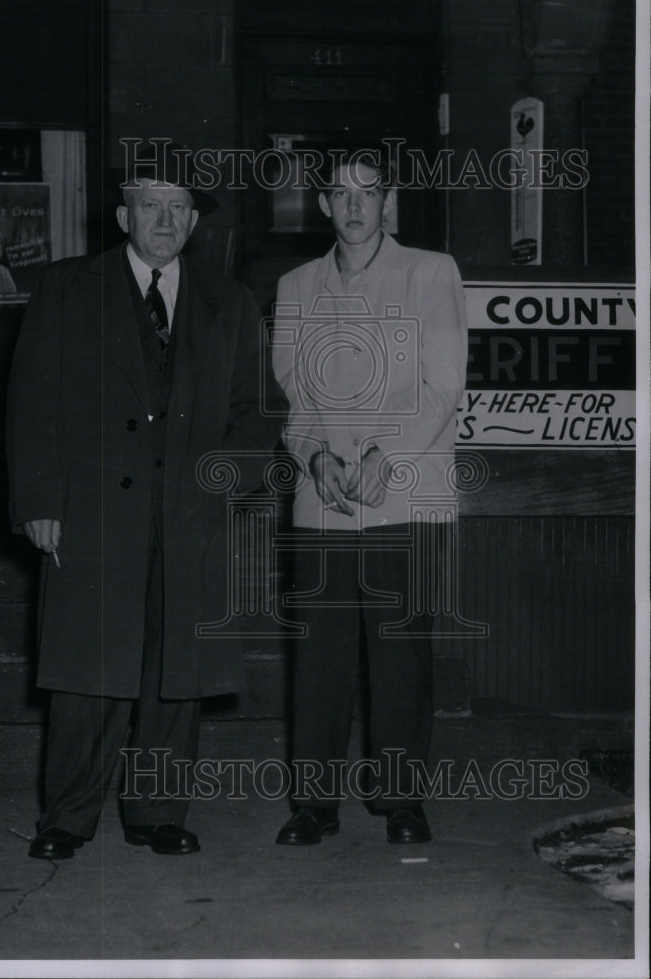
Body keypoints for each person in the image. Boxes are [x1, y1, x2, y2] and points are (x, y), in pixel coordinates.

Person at [6, 142, 287, 858]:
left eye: (179, 208)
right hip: (92, 514)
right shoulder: (66, 288)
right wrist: (40, 499)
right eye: (150, 204)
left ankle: (157, 814)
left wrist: (223, 479)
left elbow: (259, 409)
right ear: (123, 213)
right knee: (88, 675)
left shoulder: (228, 301)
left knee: (175, 673)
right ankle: (66, 818)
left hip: (188, 518)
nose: (164, 219)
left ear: (193, 224)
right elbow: (30, 404)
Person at [271, 148, 467, 846]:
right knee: (319, 658)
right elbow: (293, 400)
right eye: (339, 193)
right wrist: (314, 454)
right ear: (321, 204)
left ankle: (401, 801)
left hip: (405, 491)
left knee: (398, 655)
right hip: (324, 498)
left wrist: (386, 452)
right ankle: (313, 804)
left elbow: (442, 384)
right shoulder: (296, 285)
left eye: (368, 192)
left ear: (388, 202)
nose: (353, 206)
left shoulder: (429, 271)